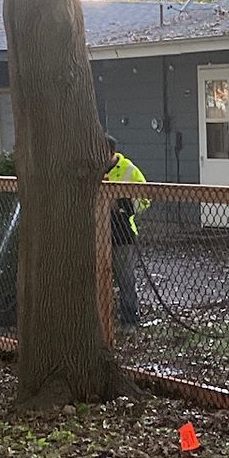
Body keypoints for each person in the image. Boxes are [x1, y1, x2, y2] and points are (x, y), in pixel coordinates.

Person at [105, 137, 149, 327]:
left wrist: (122, 204)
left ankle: (130, 319)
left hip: (121, 233)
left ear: (110, 152)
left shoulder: (129, 169)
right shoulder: (93, 170)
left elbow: (145, 199)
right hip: (97, 232)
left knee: (125, 279)